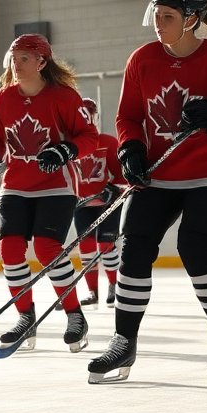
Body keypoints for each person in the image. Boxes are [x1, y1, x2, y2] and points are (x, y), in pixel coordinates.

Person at [88, 0, 207, 390]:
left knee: (195, 246)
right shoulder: (142, 59)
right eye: (156, 16)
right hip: (159, 175)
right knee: (134, 247)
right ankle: (123, 342)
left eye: (167, 18)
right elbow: (128, 115)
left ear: (191, 20)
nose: (158, 25)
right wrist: (130, 149)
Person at [0, 34, 98, 353]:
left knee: (47, 248)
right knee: (11, 250)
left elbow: (89, 136)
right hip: (16, 186)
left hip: (56, 186)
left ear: (42, 62)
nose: (15, 65)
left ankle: (74, 315)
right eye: (13, 58)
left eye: (24, 59)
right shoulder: (2, 99)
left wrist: (65, 150)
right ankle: (25, 317)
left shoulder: (64, 97)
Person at [73, 97, 123, 308]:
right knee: (85, 247)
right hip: (82, 204)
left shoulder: (108, 142)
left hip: (107, 203)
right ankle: (93, 292)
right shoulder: (71, 145)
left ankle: (113, 286)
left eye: (90, 114)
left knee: (106, 245)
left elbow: (122, 174)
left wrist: (114, 187)